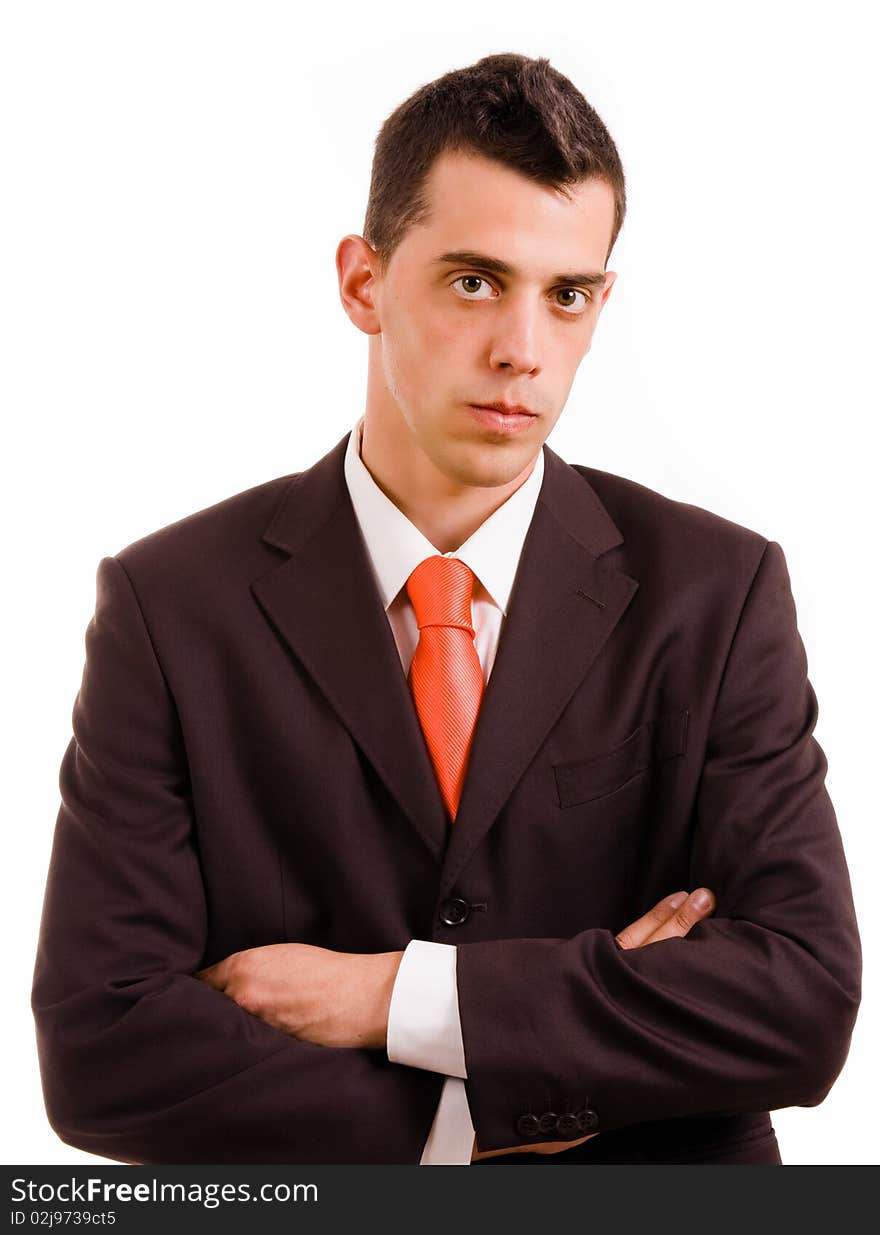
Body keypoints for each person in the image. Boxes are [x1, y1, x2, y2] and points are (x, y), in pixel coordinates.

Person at [31, 52, 860, 1167]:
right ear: (363, 282)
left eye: (565, 294)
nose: (523, 348)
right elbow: (103, 1049)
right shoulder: (169, 605)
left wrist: (397, 997)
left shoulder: (716, 590)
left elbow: (799, 1001)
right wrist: (484, 1114)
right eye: (474, 280)